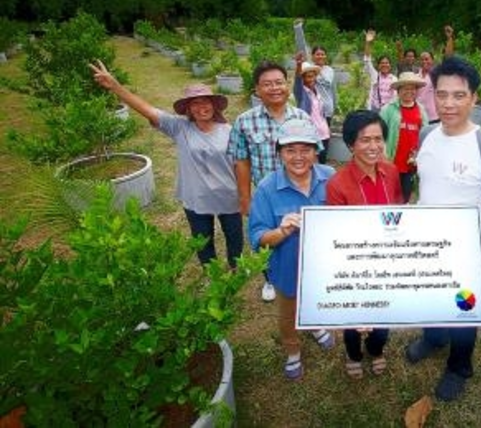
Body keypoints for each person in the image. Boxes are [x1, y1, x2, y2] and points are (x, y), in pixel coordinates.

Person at [404, 56, 481, 402]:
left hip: (467, 249)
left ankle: (459, 365)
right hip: (426, 241)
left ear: (474, 97)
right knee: (429, 297)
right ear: (432, 95)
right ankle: (434, 337)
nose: (449, 103)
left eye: (458, 95)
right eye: (442, 94)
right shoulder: (426, 134)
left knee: (464, 310)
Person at [89, 60, 243, 268]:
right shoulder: (180, 127)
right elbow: (146, 109)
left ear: (214, 105)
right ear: (188, 109)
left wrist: (244, 195)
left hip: (228, 195)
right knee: (203, 240)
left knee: (234, 237)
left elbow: (241, 166)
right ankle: (212, 274)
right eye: (195, 103)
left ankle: (236, 271)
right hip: (195, 197)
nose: (202, 107)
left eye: (206, 101)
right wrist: (115, 86)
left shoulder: (230, 131)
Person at [248, 118, 336, 380]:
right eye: (290, 150)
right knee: (288, 309)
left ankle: (315, 326)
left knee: (317, 300)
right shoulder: (267, 187)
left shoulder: (330, 177)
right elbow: (258, 236)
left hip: (324, 264)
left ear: (316, 150)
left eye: (306, 149)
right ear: (279, 153)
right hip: (287, 265)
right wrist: (282, 231)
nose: (299, 157)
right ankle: (292, 349)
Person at [227, 60, 318, 302]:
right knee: (267, 237)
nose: (274, 88)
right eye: (267, 84)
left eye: (279, 82)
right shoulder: (244, 121)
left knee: (299, 238)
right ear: (257, 89)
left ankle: (304, 277)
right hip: (268, 195)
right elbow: (241, 161)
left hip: (299, 192)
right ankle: (270, 278)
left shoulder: (302, 117)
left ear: (287, 85)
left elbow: (313, 156)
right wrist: (245, 198)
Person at [325, 110, 403, 379]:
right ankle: (354, 353)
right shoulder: (337, 184)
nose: (373, 147)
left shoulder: (391, 171)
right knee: (353, 320)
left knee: (384, 317)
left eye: (378, 139)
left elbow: (398, 212)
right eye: (364, 140)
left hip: (387, 259)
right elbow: (337, 235)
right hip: (355, 263)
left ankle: (376, 349)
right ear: (350, 145)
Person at [379, 72, 428, 203]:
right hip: (391, 161)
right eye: (405, 88)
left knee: (405, 196)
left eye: (413, 88)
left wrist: (419, 156)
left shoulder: (421, 110)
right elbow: (379, 135)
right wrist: (382, 156)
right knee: (387, 194)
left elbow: (425, 136)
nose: (409, 91)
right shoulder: (388, 110)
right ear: (398, 90)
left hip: (410, 163)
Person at [401, 25, 455, 124]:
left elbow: (448, 58)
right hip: (417, 116)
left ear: (432, 60)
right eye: (422, 59)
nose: (424, 61)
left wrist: (449, 38)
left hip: (433, 117)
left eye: (427, 59)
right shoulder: (416, 76)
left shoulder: (436, 74)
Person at [294, 18, 337, 127]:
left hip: (327, 109)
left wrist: (334, 106)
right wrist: (298, 28)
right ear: (312, 56)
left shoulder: (329, 70)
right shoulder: (310, 69)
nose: (320, 56)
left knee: (325, 136)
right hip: (313, 109)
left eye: (323, 54)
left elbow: (333, 89)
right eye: (318, 54)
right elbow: (302, 47)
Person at [293, 54, 331, 164]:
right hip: (311, 134)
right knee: (311, 163)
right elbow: (297, 80)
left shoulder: (317, 91)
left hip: (324, 132)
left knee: (322, 162)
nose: (311, 79)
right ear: (303, 78)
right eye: (307, 76)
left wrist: (327, 128)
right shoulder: (301, 93)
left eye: (313, 76)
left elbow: (320, 113)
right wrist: (299, 64)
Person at [364, 29, 397, 111]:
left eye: (387, 63)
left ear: (390, 65)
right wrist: (368, 42)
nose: (384, 65)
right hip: (376, 109)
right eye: (382, 63)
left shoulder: (394, 79)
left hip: (389, 110)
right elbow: (367, 60)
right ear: (378, 66)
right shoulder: (375, 75)